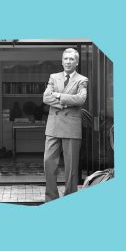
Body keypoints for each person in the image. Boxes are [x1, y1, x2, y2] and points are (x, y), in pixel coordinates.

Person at [42, 48, 88, 201]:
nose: (68, 61)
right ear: (62, 61)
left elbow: (81, 99)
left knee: (71, 168)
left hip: (71, 127)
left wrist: (59, 95)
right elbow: (46, 98)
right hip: (53, 126)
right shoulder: (53, 77)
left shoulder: (82, 79)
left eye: (71, 59)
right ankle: (51, 198)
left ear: (77, 62)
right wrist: (65, 103)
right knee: (48, 162)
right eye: (65, 59)